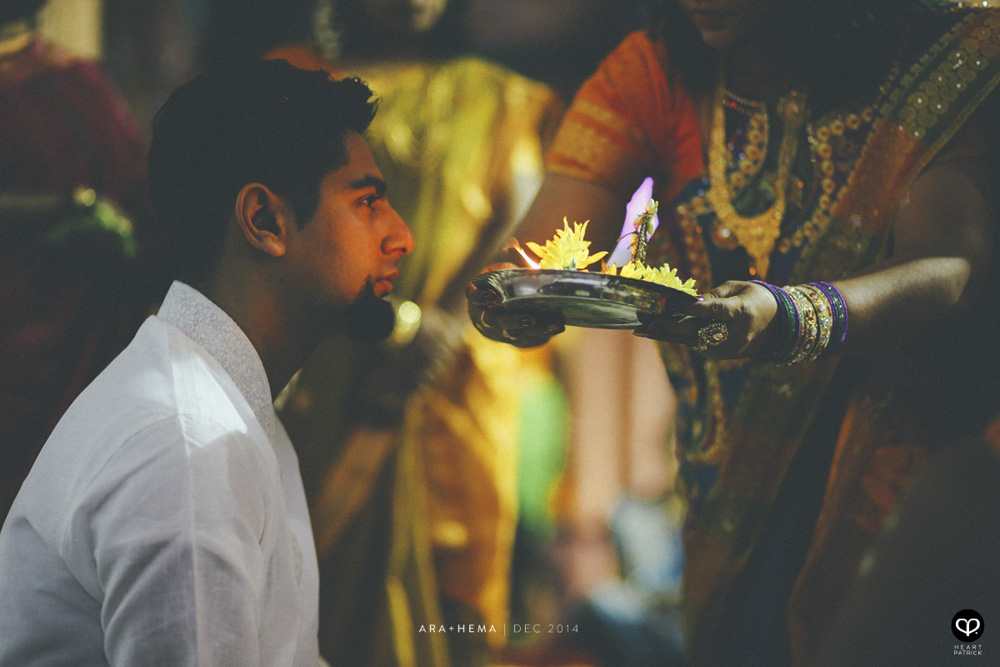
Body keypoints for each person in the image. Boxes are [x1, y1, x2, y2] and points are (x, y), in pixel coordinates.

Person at [469, 1, 1000, 665]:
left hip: (901, 481)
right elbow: (540, 248)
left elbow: (952, 264)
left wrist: (793, 317)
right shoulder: (654, 71)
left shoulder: (939, 67)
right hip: (726, 496)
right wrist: (514, 296)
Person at [0, 59, 414, 665]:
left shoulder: (219, 409)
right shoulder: (187, 447)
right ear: (265, 221)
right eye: (367, 202)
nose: (401, 235)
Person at [201, 1, 565, 664]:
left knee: (443, 592)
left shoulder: (495, 99)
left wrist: (442, 326)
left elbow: (522, 224)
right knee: (302, 570)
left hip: (446, 375)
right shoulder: (290, 82)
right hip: (323, 366)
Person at [0, 0, 156, 525]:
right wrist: (65, 212)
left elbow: (137, 179)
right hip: (22, 355)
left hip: (101, 340)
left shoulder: (75, 76)